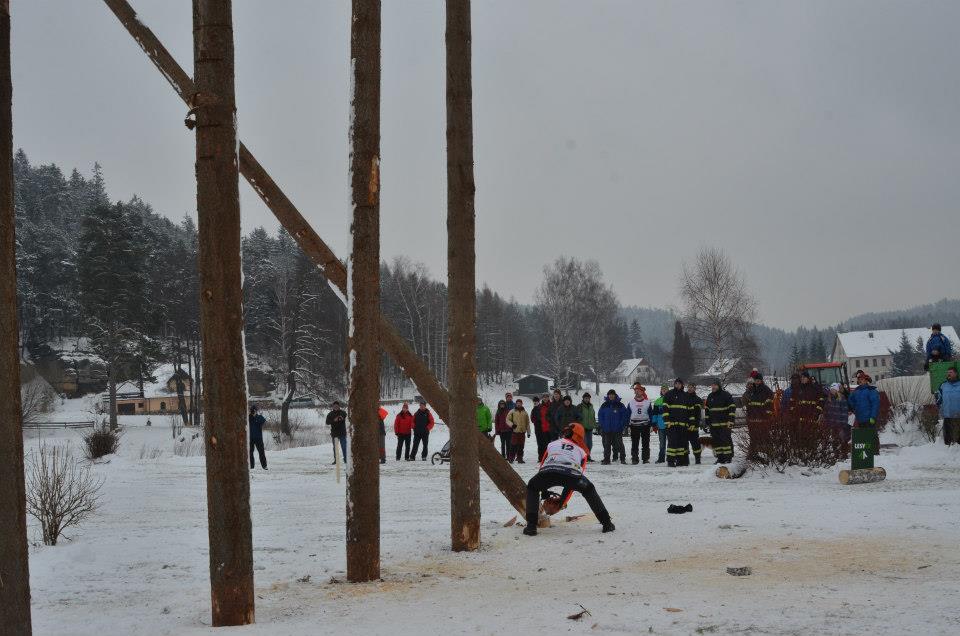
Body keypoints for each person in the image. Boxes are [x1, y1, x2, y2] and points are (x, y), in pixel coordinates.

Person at [522, 423, 615, 536]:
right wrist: (561, 502)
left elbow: (542, 466)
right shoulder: (582, 451)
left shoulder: (553, 444)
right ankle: (607, 524)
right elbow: (576, 477)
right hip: (571, 473)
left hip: (548, 472)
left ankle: (531, 527)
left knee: (532, 486)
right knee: (589, 489)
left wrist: (544, 491)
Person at [663, 378, 694, 467]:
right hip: (672, 424)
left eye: (679, 384)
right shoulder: (669, 394)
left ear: (682, 385)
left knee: (681, 443)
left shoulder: (686, 395)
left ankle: (680, 461)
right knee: (672, 443)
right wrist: (667, 421)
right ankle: (670, 461)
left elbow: (691, 411)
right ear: (674, 384)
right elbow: (665, 409)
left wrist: (691, 423)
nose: (677, 385)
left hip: (683, 425)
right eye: (676, 383)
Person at [743, 374, 774, 460]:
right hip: (752, 419)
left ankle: (766, 455)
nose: (757, 382)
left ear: (761, 380)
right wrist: (749, 416)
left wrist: (767, 417)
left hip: (762, 419)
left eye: (758, 380)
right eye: (755, 380)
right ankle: (753, 454)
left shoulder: (766, 390)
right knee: (753, 438)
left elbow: (770, 405)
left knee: (764, 437)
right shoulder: (751, 390)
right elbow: (747, 403)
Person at [848, 372, 880, 454]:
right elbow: (851, 401)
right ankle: (867, 452)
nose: (860, 381)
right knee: (863, 436)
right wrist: (853, 407)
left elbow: (875, 405)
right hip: (860, 418)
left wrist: (873, 416)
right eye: (859, 379)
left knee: (872, 435)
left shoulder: (871, 390)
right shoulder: (856, 391)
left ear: (866, 380)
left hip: (869, 418)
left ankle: (875, 452)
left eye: (862, 379)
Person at [704, 379, 735, 464]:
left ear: (719, 386)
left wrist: (731, 420)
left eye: (715, 385)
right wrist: (707, 422)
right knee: (716, 442)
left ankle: (728, 458)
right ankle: (720, 458)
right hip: (713, 425)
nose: (713, 387)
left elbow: (732, 408)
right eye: (712, 385)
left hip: (724, 424)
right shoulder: (710, 396)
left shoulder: (726, 395)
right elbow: (707, 410)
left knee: (725, 442)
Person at [597, 389, 629, 464]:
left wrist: (621, 425)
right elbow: (600, 415)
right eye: (610, 394)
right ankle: (606, 459)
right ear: (608, 396)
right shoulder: (604, 405)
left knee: (620, 444)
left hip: (617, 429)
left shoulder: (620, 405)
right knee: (606, 445)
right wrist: (602, 425)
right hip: (607, 429)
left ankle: (622, 459)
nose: (611, 396)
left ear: (615, 395)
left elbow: (624, 416)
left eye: (612, 394)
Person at [627, 383, 652, 464]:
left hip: (645, 425)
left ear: (642, 392)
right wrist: (627, 425)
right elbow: (628, 414)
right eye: (636, 391)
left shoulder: (647, 402)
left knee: (646, 443)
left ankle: (645, 459)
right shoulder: (631, 402)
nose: (637, 392)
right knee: (634, 443)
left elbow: (650, 414)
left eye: (639, 391)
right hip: (634, 425)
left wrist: (652, 425)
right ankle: (634, 458)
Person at [935, 367, 960, 445]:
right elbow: (939, 398)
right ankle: (947, 448)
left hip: (959, 415)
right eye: (948, 372)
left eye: (951, 372)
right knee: (948, 439)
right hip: (947, 415)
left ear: (956, 374)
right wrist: (937, 404)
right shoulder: (943, 385)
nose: (949, 374)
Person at [507, 398, 531, 463]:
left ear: (522, 404)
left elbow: (527, 423)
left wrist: (528, 432)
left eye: (520, 403)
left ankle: (520, 458)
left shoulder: (525, 412)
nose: (518, 404)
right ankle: (511, 458)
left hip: (522, 432)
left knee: (521, 446)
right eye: (517, 403)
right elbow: (507, 420)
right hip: (515, 431)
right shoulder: (512, 411)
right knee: (513, 446)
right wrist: (512, 425)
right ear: (516, 404)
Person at [685, 382, 704, 464]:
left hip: (694, 425)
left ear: (695, 388)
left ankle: (697, 459)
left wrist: (696, 424)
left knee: (695, 443)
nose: (690, 388)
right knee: (684, 443)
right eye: (689, 387)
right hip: (684, 425)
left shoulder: (698, 399)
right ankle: (685, 459)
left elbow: (698, 414)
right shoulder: (683, 397)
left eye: (692, 387)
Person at [326, 400, 348, 465]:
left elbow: (348, 420)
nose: (335, 407)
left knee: (344, 447)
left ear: (339, 406)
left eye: (337, 406)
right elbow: (327, 422)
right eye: (334, 406)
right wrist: (334, 420)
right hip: (334, 434)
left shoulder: (343, 413)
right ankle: (336, 460)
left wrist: (342, 418)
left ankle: (346, 459)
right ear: (333, 406)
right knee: (335, 448)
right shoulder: (330, 414)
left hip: (342, 433)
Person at [650, 385, 668, 463]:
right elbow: (654, 414)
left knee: (671, 443)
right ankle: (661, 458)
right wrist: (654, 424)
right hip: (661, 425)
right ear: (661, 391)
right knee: (662, 443)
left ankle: (670, 457)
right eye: (663, 390)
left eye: (665, 389)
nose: (664, 391)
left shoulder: (672, 399)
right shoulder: (657, 401)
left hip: (670, 425)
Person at [577, 392, 597, 461]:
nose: (587, 399)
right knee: (583, 444)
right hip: (582, 428)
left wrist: (594, 424)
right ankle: (583, 457)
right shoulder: (580, 406)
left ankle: (588, 456)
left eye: (588, 398)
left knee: (589, 444)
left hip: (590, 428)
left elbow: (593, 416)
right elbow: (577, 417)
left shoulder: (591, 406)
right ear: (583, 398)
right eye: (585, 398)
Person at [249, 405, 267, 470]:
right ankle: (251, 466)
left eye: (254, 410)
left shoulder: (259, 417)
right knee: (250, 452)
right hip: (250, 438)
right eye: (252, 410)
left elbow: (263, 421)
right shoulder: (248, 418)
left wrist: (256, 416)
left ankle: (264, 466)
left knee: (261, 452)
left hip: (258, 438)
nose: (253, 412)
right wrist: (251, 416)